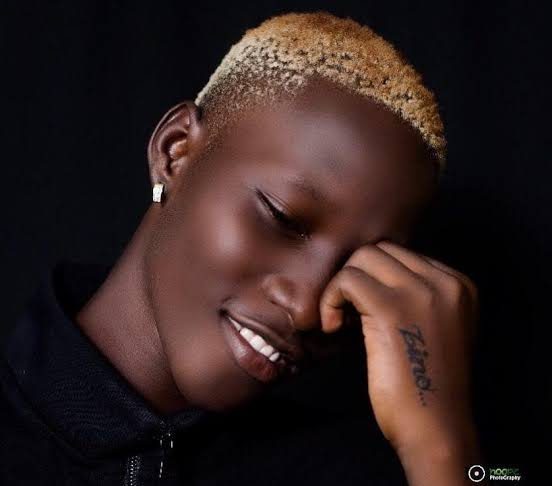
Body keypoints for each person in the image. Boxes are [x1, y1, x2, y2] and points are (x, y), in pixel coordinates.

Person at [0, 11, 484, 486]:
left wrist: (439, 449)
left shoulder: (365, 469)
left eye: (358, 270)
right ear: (175, 152)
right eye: (283, 219)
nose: (310, 310)